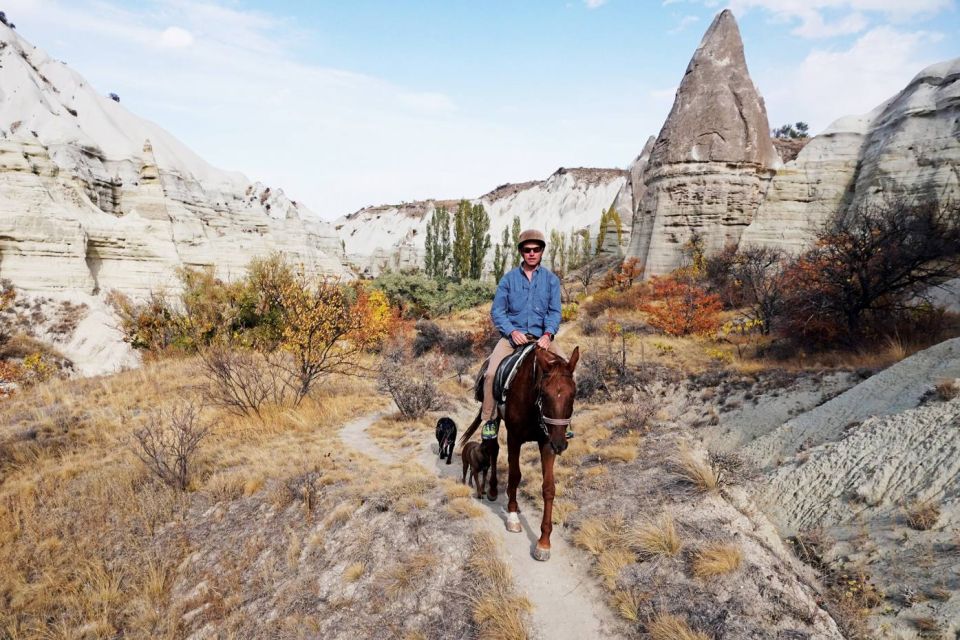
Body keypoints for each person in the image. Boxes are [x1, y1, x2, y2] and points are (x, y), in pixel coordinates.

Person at [480, 229, 562, 440]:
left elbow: (554, 312)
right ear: (521, 252)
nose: (532, 253)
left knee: (566, 373)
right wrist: (511, 331)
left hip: (541, 339)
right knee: (490, 374)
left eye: (536, 249)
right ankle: (489, 420)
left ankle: (563, 423)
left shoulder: (551, 280)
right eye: (527, 250)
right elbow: (497, 311)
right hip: (512, 338)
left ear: (542, 251)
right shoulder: (508, 280)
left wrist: (548, 334)